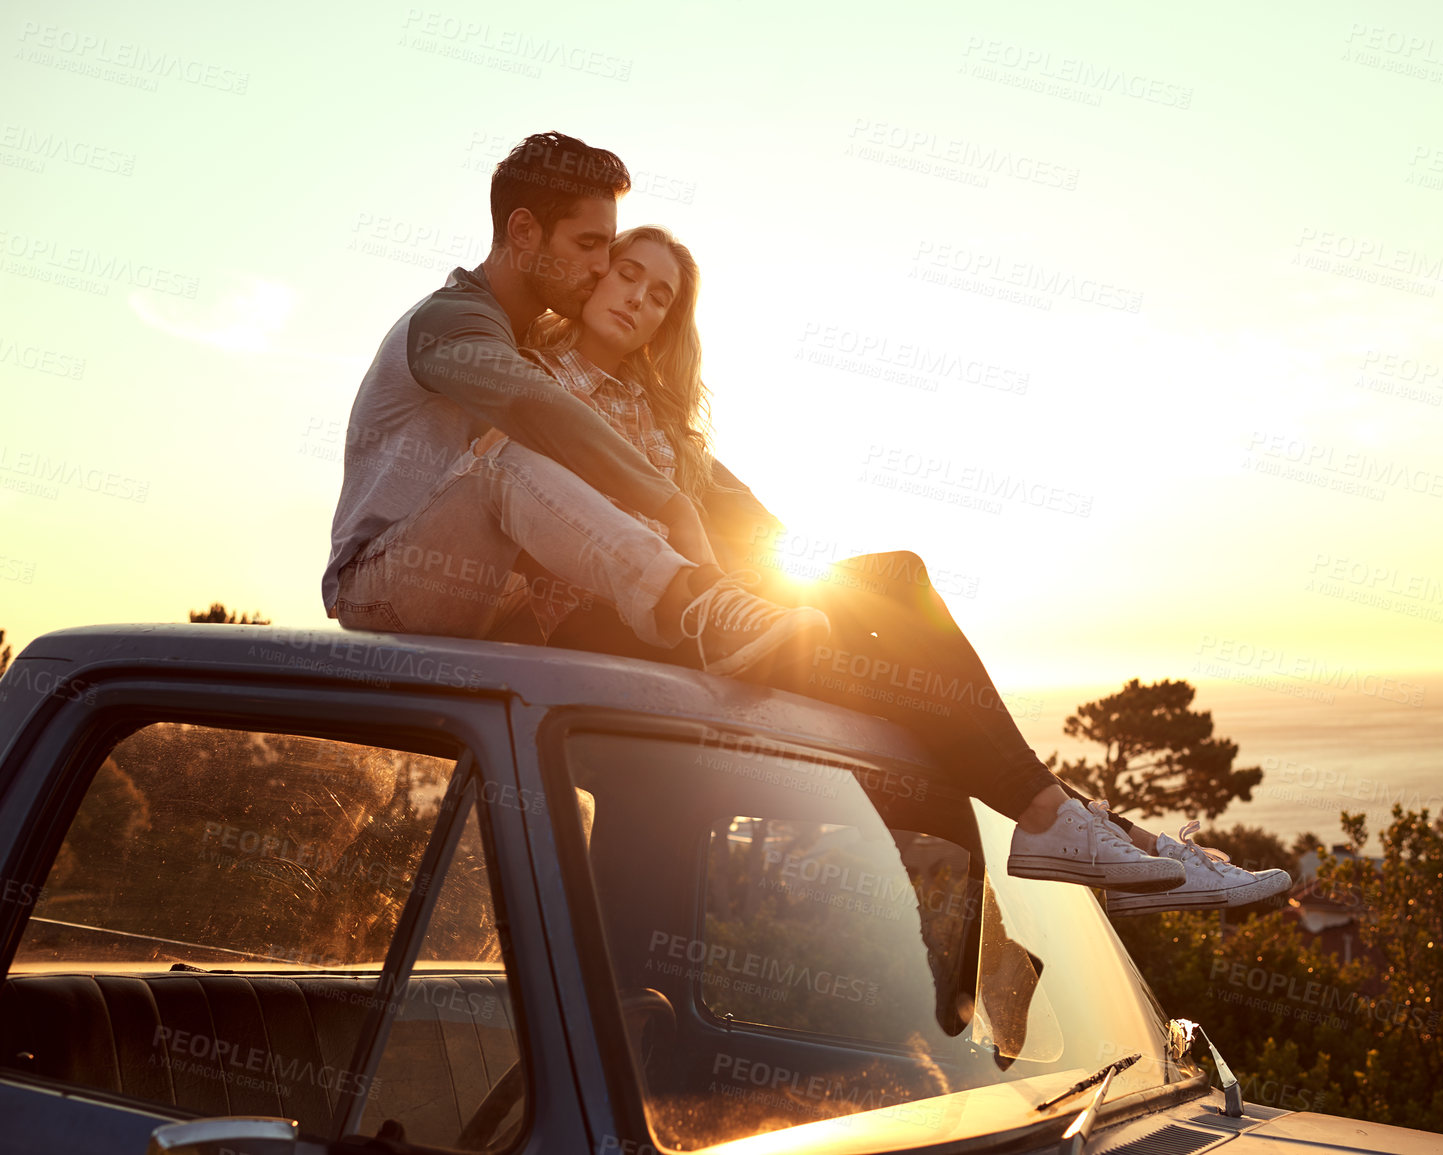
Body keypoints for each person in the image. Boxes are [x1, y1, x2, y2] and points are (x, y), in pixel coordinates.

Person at [499, 222, 1291, 913]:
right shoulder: (531, 372)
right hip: (603, 626)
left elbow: (757, 526)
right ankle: (1079, 830)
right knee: (902, 673)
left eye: (661, 295)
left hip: (706, 616)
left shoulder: (661, 419)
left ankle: (1094, 831)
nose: (639, 297)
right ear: (594, 274)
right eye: (627, 274)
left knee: (897, 592)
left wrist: (805, 585)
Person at [321, 133, 826, 680]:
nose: (600, 266)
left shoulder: (528, 339)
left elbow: (704, 476)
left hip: (500, 598)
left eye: (607, 247)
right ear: (523, 232)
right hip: (383, 584)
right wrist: (672, 506)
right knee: (502, 465)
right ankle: (694, 603)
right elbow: (538, 410)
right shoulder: (451, 322)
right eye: (588, 244)